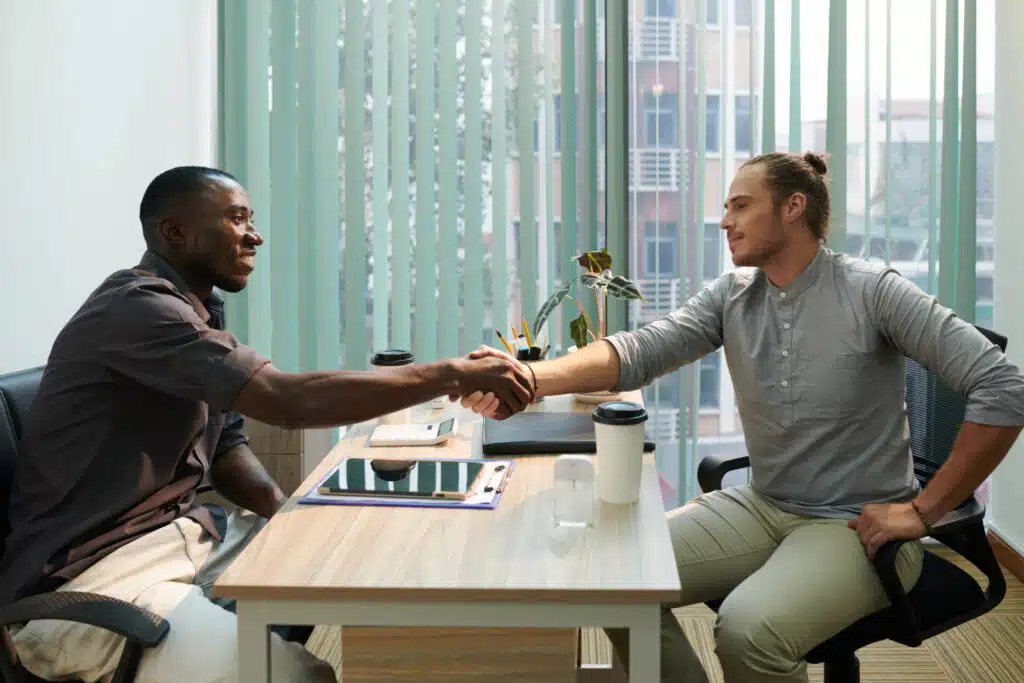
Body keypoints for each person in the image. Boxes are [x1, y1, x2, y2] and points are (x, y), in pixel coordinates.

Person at [460, 151, 1024, 682]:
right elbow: (640, 351)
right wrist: (530, 377)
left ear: (793, 206)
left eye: (740, 204)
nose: (725, 221)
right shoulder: (733, 295)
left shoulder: (872, 291)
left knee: (748, 632)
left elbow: (1004, 385)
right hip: (764, 503)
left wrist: (924, 513)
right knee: (611, 573)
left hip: (855, 526)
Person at [1, 166, 535, 683]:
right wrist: (448, 374)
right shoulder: (137, 310)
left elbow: (228, 445)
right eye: (237, 218)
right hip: (95, 584)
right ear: (174, 231)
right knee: (297, 676)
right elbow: (286, 400)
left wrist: (286, 516)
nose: (255, 235)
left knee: (349, 567)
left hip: (185, 541)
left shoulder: (197, 311)